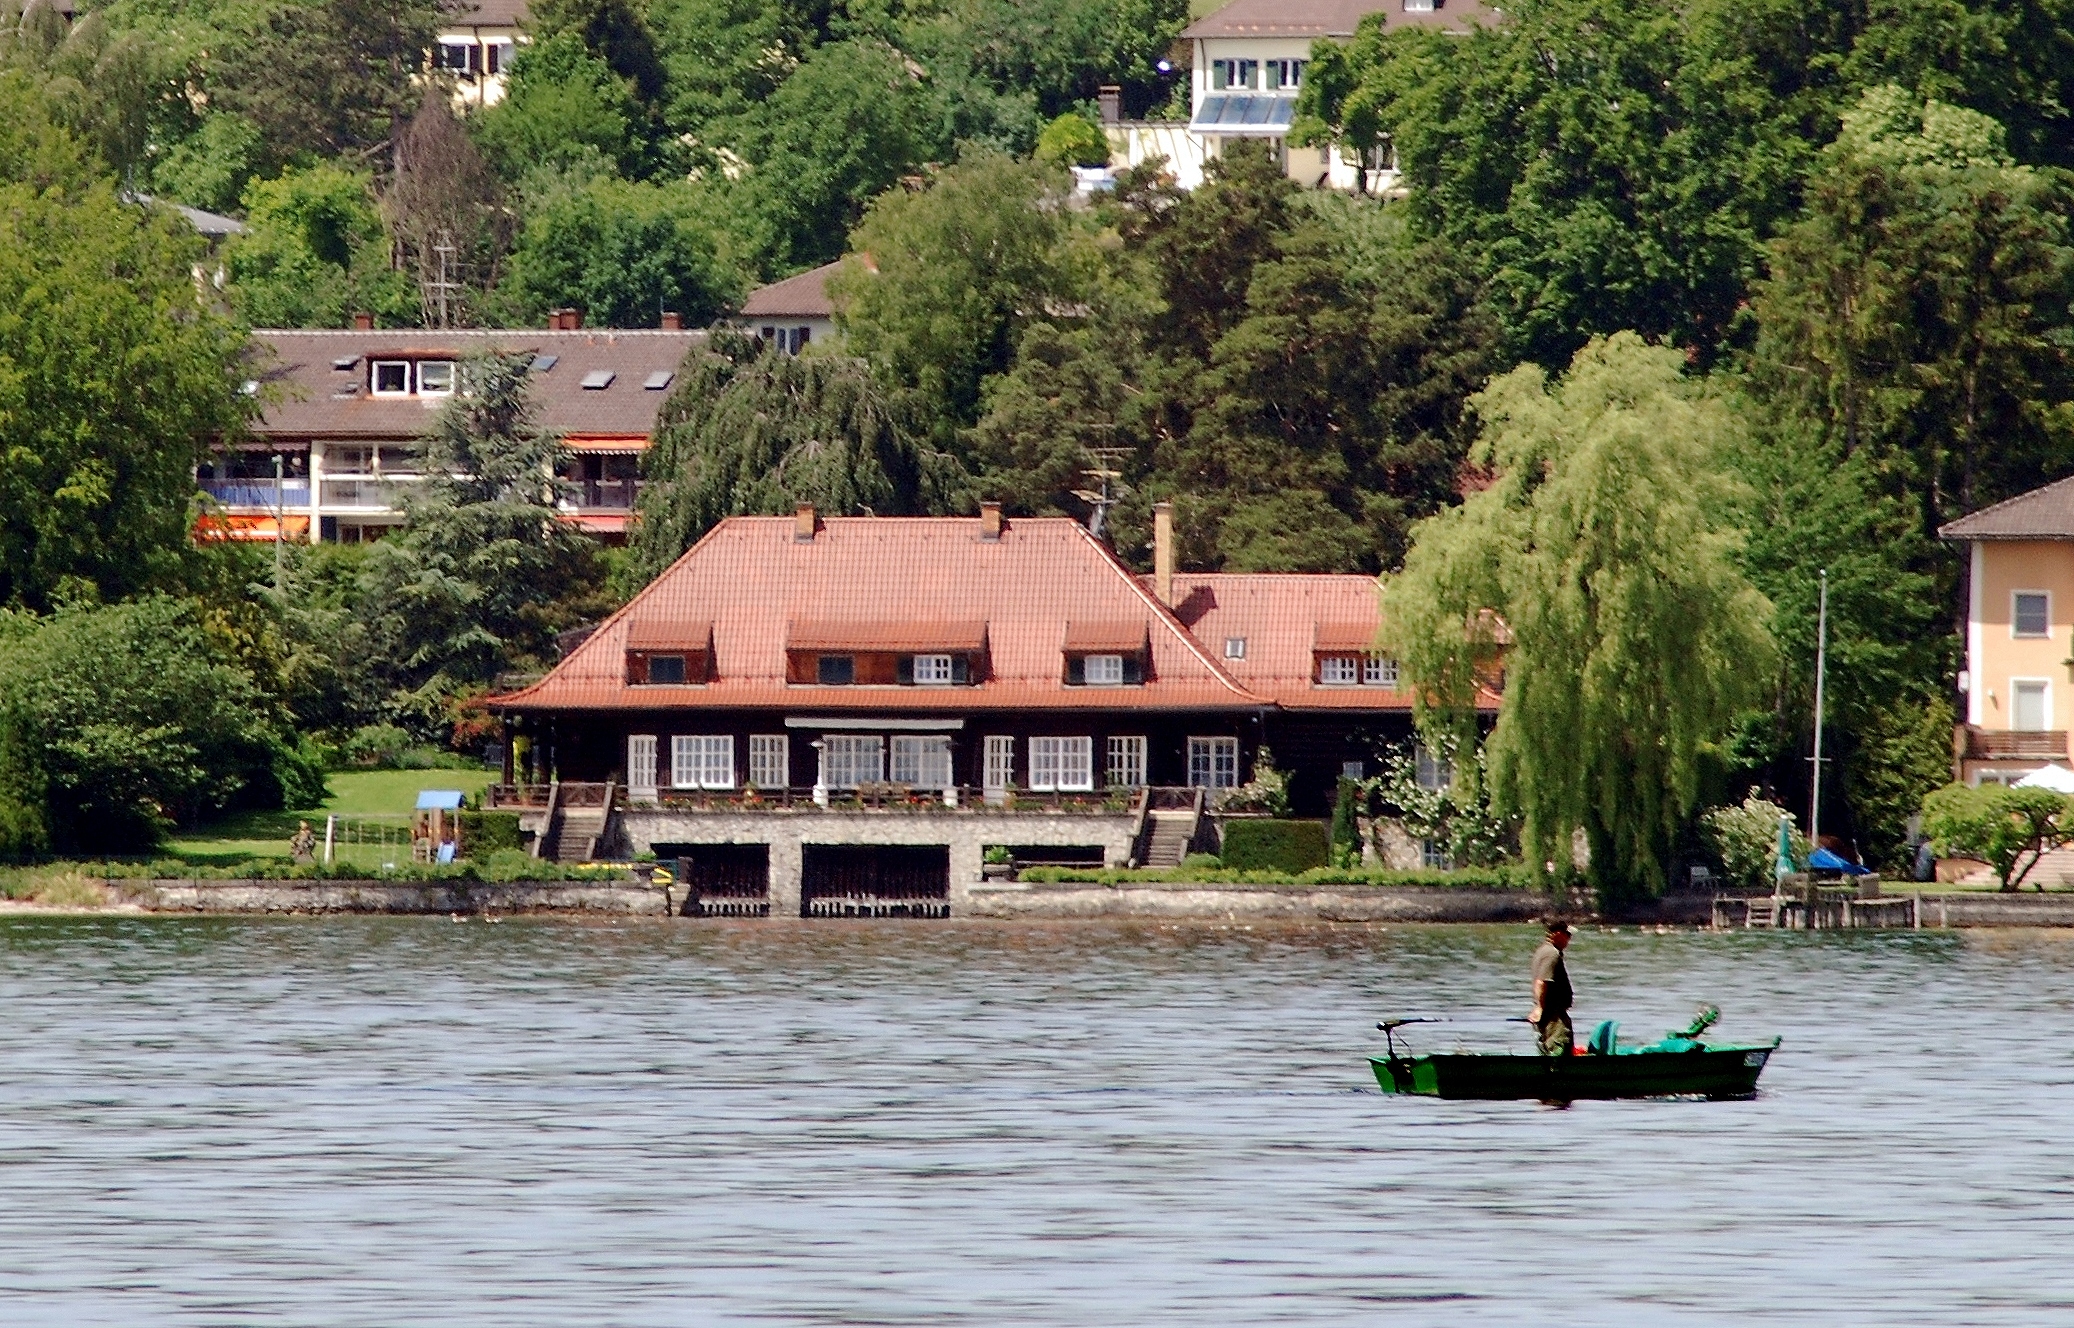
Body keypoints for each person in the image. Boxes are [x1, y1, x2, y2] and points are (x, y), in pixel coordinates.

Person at [1528, 919, 1574, 1056]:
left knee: (1549, 1052)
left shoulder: (1543, 951)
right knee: (1559, 1051)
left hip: (1551, 1015)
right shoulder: (1551, 954)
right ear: (1558, 934)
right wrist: (1539, 1007)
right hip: (1553, 1018)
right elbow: (1541, 983)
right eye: (1568, 935)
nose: (1569, 939)